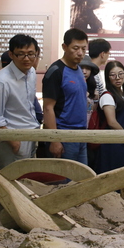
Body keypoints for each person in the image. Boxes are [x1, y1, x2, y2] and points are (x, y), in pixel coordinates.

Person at [0, 34, 41, 169]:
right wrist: (12, 141)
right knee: (11, 183)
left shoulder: (31, 72)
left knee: (29, 180)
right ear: (11, 54)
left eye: (31, 54)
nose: (27, 59)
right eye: (21, 54)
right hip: (12, 137)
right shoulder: (1, 81)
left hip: (32, 132)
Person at [42, 28, 89, 165]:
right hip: (63, 135)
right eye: (75, 48)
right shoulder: (56, 71)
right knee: (64, 184)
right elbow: (48, 108)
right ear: (64, 47)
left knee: (83, 181)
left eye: (83, 49)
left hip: (81, 134)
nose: (80, 53)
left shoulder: (79, 69)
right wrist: (54, 140)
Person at [97, 61, 124, 174]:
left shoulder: (123, 95)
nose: (117, 78)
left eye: (121, 74)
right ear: (107, 77)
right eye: (113, 75)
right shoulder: (107, 96)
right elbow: (112, 122)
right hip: (113, 144)